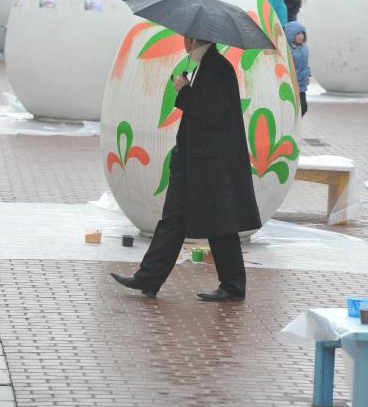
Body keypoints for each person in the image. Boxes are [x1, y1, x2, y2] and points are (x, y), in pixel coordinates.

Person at [111, 37, 262, 301]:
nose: (183, 41)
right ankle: (150, 277)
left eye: (185, 37)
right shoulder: (206, 65)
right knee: (174, 219)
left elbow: (211, 112)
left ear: (195, 39)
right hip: (193, 160)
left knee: (221, 223)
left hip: (211, 163)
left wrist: (184, 90)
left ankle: (233, 285)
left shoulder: (218, 68)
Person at [284, 21, 311, 116]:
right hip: (292, 83)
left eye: (302, 33)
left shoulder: (304, 48)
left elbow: (305, 64)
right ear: (291, 35)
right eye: (298, 34)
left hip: (301, 84)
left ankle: (295, 124)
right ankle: (291, 125)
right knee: (291, 107)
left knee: (303, 107)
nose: (301, 36)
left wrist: (307, 75)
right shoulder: (288, 50)